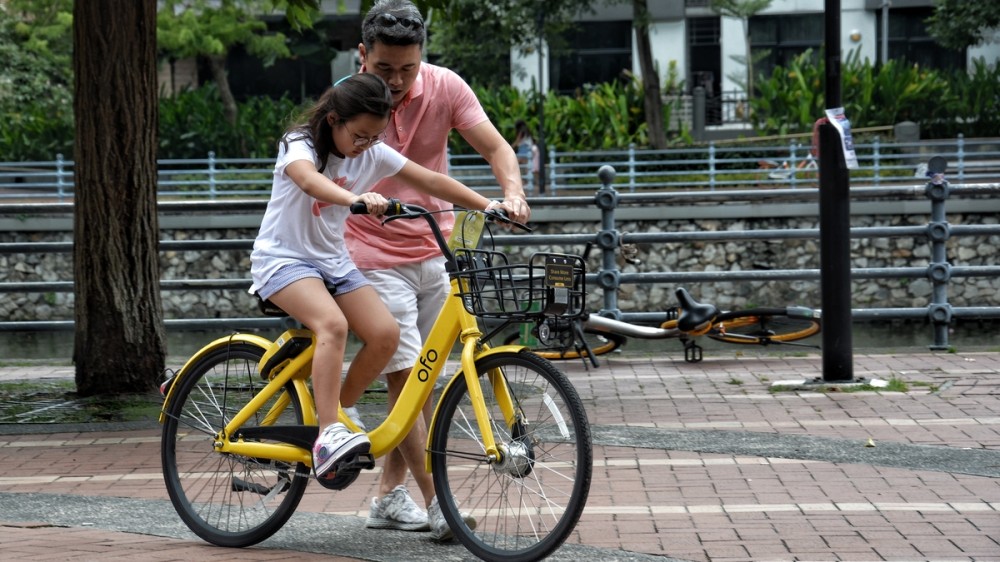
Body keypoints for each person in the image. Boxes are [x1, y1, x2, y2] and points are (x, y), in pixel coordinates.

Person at [247, 72, 498, 484]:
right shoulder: (299, 143)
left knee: (385, 335)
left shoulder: (374, 152)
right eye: (360, 136)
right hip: (284, 259)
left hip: (332, 261)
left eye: (374, 137)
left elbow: (432, 180)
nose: (366, 145)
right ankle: (328, 434)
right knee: (333, 325)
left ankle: (336, 410)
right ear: (334, 120)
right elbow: (309, 181)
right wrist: (355, 199)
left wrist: (490, 205)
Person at [344, 0, 531, 542]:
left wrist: (512, 193)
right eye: (385, 69)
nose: (399, 81)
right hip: (369, 253)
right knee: (407, 375)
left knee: (422, 385)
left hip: (436, 248)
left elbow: (495, 145)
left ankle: (385, 497)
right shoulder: (347, 99)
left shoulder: (446, 86)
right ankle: (438, 502)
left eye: (408, 68)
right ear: (363, 56)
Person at [512, 119, 540, 192]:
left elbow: (517, 141)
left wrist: (510, 147)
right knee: (526, 167)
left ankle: (525, 182)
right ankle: (528, 182)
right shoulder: (527, 131)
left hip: (524, 149)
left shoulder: (521, 131)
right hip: (527, 149)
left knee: (515, 165)